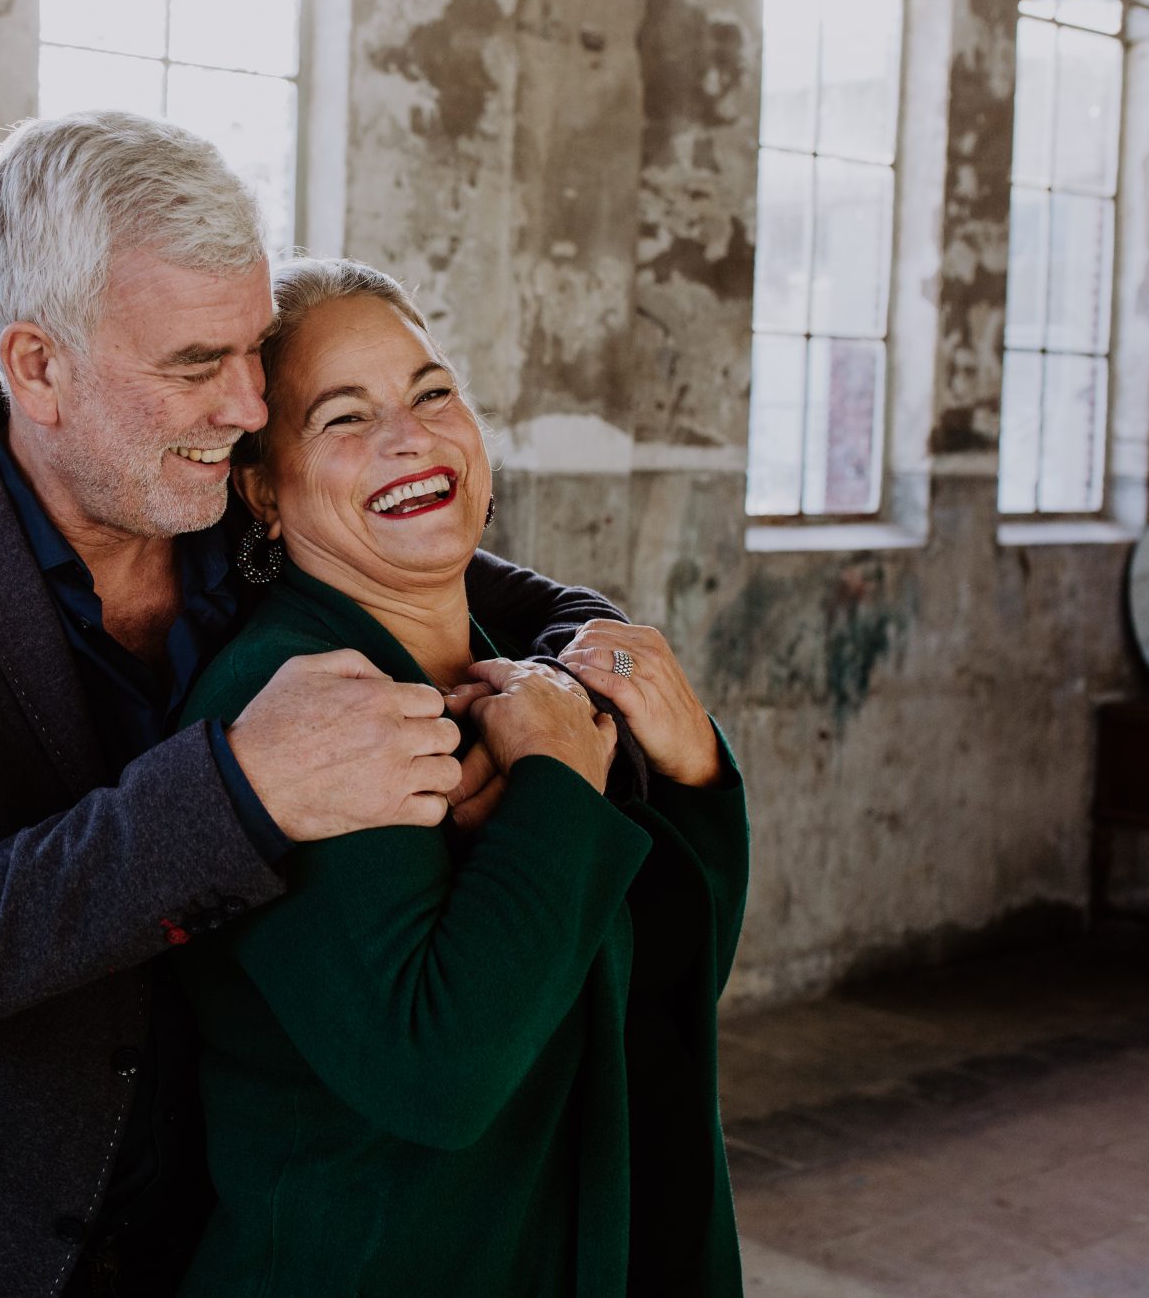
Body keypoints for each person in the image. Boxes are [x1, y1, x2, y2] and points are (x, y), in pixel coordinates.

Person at [0, 113, 631, 1297]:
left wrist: (584, 658)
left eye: (253, 351)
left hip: (193, 1225)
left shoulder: (227, 490)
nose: (247, 404)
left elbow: (478, 571)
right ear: (38, 366)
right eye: (196, 365)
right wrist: (241, 792)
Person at [173, 258, 751, 1297]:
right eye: (344, 417)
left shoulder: (521, 680)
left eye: (432, 392)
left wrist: (694, 770)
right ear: (263, 491)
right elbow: (443, 1074)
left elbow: (655, 985)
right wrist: (556, 788)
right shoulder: (291, 700)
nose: (409, 437)